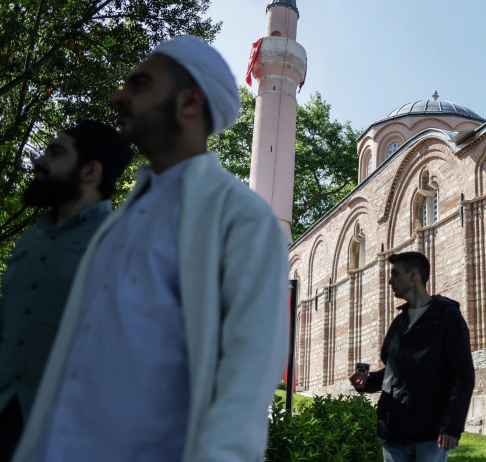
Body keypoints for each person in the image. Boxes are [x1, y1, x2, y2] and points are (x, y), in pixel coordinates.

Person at [13, 36, 289, 462]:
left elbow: (246, 382)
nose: (119, 96)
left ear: (190, 102)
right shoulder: (118, 221)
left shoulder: (240, 217)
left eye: (140, 84)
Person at [0, 121, 131, 461]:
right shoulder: (31, 237)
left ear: (90, 170)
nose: (39, 161)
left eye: (55, 153)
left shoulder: (123, 246)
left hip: (68, 438)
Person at [349, 251, 475, 462]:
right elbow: (395, 372)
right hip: (394, 431)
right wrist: (366, 383)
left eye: (395, 274)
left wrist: (452, 426)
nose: (390, 280)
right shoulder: (399, 323)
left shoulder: (446, 317)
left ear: (414, 275)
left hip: (429, 433)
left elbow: (463, 375)